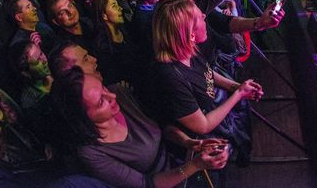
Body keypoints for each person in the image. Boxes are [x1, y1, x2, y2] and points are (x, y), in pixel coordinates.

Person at [49, 67, 228, 188]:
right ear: (83, 117)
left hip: (180, 163)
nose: (112, 96)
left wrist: (188, 142)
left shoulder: (120, 92)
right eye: (101, 101)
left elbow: (161, 127)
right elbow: (145, 184)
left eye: (103, 88)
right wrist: (195, 165)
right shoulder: (91, 152)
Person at [143, 0, 263, 170]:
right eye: (200, 18)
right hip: (196, 147)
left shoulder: (188, 50)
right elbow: (203, 125)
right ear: (190, 34)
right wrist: (239, 94)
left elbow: (206, 72)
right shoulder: (170, 76)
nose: (205, 17)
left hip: (215, 119)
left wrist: (235, 86)